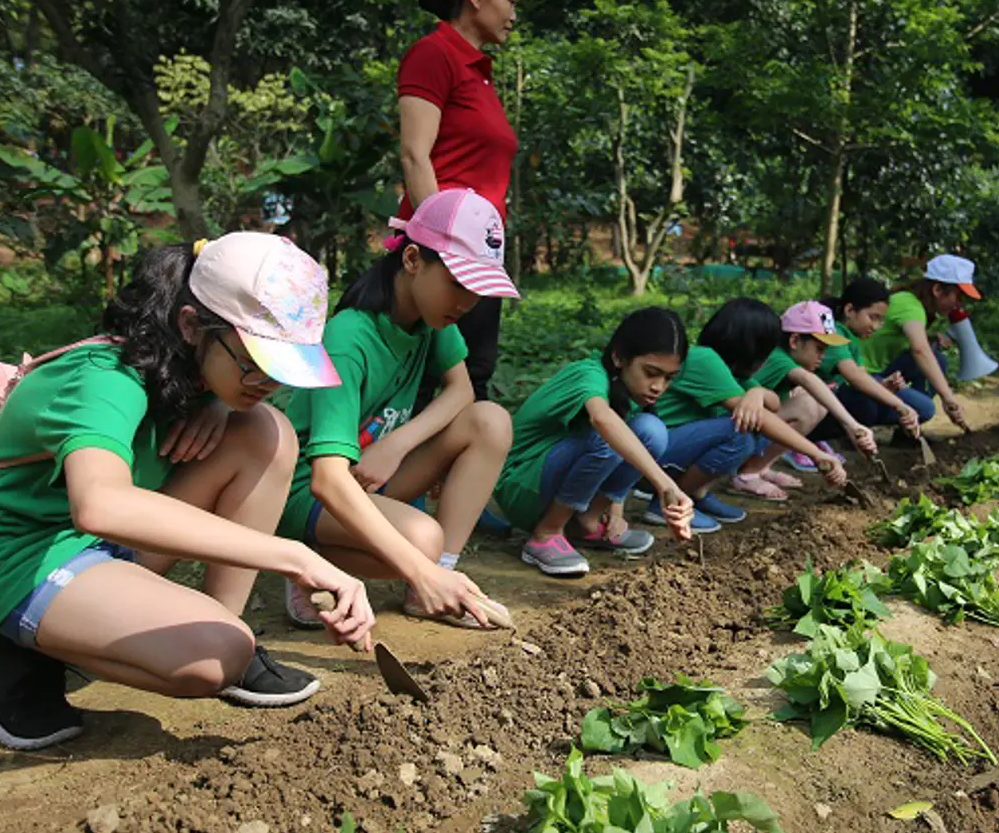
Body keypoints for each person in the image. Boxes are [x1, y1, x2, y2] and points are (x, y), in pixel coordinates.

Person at [0, 233, 373, 752]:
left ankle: (226, 627)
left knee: (267, 431)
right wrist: (294, 556)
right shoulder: (103, 379)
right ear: (192, 325)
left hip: (104, 550)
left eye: (280, 371)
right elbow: (99, 504)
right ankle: (19, 646)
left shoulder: (190, 371)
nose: (266, 382)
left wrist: (224, 401)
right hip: (24, 556)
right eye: (255, 364)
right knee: (210, 659)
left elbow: (233, 402)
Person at [278, 188, 519, 630]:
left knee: (491, 421)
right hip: (308, 488)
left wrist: (396, 444)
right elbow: (327, 479)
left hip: (372, 471)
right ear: (411, 260)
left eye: (477, 289)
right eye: (458, 283)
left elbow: (462, 391)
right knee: (422, 538)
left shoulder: (432, 319)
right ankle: (308, 564)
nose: (468, 302)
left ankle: (435, 583)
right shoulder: (349, 340)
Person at [398, 0, 521, 409]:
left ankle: (456, 481)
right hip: (444, 255)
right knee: (430, 380)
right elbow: (414, 155)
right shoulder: (434, 54)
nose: (513, 14)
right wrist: (441, 249)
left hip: (481, 254)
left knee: (474, 375)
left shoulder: (480, 73)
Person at [494, 307, 697, 577]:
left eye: (669, 378)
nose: (659, 387)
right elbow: (604, 422)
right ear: (618, 357)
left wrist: (616, 510)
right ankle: (546, 533)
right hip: (522, 484)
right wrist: (665, 485)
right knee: (607, 437)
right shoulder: (588, 375)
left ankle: (586, 523)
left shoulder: (628, 389)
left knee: (652, 431)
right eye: (651, 372)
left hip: (551, 478)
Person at [645, 297, 848, 531]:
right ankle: (670, 502)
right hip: (653, 456)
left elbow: (772, 405)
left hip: (673, 451)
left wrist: (758, 393)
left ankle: (696, 494)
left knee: (747, 426)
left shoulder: (733, 371)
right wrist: (816, 454)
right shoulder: (705, 360)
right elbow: (764, 419)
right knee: (739, 432)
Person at [729, 300, 879, 500]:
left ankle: (761, 467)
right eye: (819, 348)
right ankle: (747, 475)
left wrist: (853, 427)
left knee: (810, 399)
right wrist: (852, 425)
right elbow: (807, 379)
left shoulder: (785, 358)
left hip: (746, 425)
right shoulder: (778, 358)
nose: (822, 357)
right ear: (794, 341)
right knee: (810, 405)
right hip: (731, 428)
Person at [802, 276, 923, 466]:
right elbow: (854, 376)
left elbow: (857, 377)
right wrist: (900, 405)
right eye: (873, 317)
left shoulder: (853, 338)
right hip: (803, 399)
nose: (876, 327)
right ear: (849, 310)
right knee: (863, 406)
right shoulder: (831, 332)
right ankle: (801, 439)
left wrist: (883, 387)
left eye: (881, 321)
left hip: (822, 397)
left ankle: (812, 439)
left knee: (868, 402)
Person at [858, 253, 980, 432]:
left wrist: (930, 339)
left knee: (938, 359)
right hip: (861, 375)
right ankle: (861, 418)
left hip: (878, 370)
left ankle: (907, 432)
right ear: (938, 289)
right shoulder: (910, 306)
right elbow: (919, 350)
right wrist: (949, 399)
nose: (959, 305)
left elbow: (915, 344)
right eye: (958, 296)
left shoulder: (909, 301)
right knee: (924, 409)